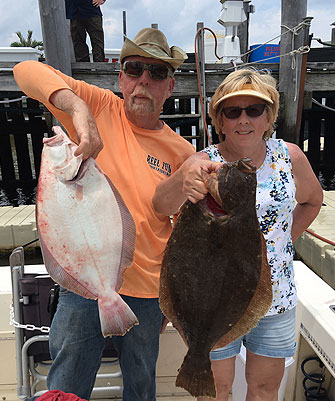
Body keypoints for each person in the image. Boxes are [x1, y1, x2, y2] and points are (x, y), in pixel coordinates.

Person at [13, 28, 195, 401]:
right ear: (121, 79)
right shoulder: (97, 107)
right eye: (134, 68)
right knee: (66, 383)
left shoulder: (180, 151)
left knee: (142, 387)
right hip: (83, 284)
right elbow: (25, 70)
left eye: (157, 72)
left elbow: (184, 233)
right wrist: (78, 111)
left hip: (147, 292)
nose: (144, 79)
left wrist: (171, 297)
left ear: (170, 86)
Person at [152, 68, 323, 401]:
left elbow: (313, 201)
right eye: (232, 111)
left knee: (264, 388)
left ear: (268, 116)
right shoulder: (202, 164)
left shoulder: (290, 156)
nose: (243, 119)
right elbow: (160, 205)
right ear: (220, 121)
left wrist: (282, 244)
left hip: (276, 297)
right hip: (211, 297)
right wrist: (184, 179)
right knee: (216, 389)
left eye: (254, 110)